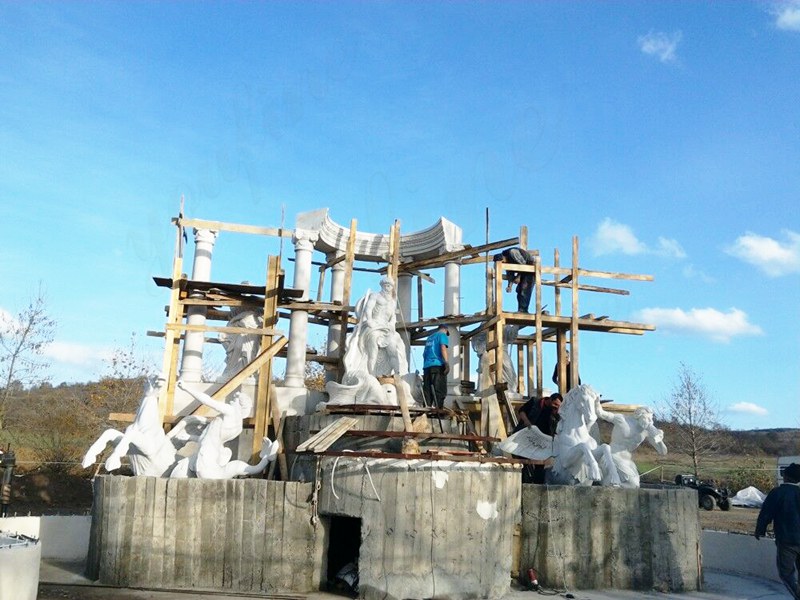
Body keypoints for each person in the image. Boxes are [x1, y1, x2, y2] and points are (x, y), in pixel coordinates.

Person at [595, 402, 667, 488]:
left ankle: (610, 485)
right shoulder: (622, 420)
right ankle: (609, 484)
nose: (650, 422)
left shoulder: (647, 431)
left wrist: (660, 439)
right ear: (640, 415)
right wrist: (596, 401)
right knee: (632, 485)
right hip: (612, 455)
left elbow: (662, 452)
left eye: (651, 419)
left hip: (627, 460)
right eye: (648, 418)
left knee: (636, 486)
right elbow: (600, 413)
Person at [755, 462, 800, 599]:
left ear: (785, 476)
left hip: (787, 540)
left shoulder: (778, 493)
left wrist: (760, 529)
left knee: (786, 573)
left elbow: (766, 513)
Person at [493, 247, 537, 313]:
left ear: (503, 258)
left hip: (530, 269)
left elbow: (523, 264)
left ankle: (523, 311)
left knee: (524, 289)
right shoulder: (507, 262)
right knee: (519, 290)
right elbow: (510, 275)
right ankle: (521, 310)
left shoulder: (513, 252)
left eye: (502, 262)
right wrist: (510, 286)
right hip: (524, 271)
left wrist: (518, 277)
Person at [422, 325, 449, 408]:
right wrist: (446, 363)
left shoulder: (429, 338)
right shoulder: (442, 335)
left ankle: (427, 407)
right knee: (440, 388)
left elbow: (424, 354)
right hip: (437, 365)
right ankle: (439, 408)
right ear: (446, 330)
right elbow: (443, 348)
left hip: (427, 366)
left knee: (427, 389)